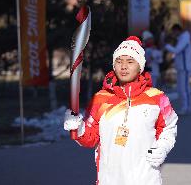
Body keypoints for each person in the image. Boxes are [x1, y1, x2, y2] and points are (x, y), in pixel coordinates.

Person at [64, 36, 178, 185]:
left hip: (145, 179)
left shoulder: (157, 98)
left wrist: (162, 148)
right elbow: (90, 138)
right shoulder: (101, 99)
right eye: (119, 61)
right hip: (109, 179)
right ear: (114, 65)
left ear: (140, 66)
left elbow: (169, 127)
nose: (124, 66)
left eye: (130, 62)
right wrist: (78, 127)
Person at [165, 24, 191, 115]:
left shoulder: (185, 38)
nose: (173, 34)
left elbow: (177, 50)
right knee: (182, 88)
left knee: (184, 88)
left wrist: (166, 46)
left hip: (185, 67)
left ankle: (186, 107)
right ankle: (186, 107)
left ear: (177, 30)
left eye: (174, 32)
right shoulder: (182, 38)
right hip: (181, 67)